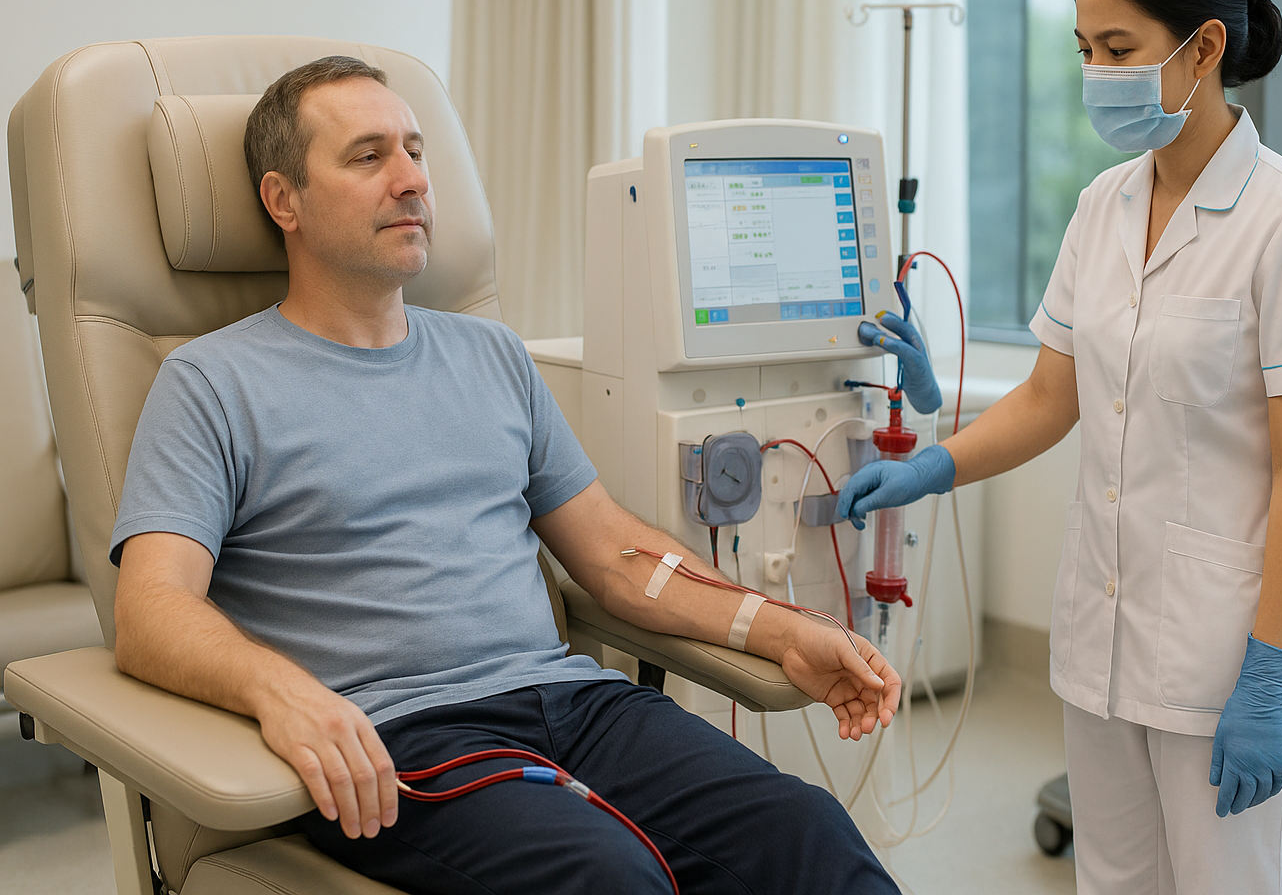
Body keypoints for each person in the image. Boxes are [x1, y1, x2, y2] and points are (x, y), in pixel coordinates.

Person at [109, 55, 901, 895]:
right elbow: (151, 610)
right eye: (369, 156)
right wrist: (284, 693)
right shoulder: (211, 382)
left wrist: (779, 627)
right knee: (612, 879)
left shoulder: (491, 355)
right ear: (283, 200)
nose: (413, 180)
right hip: (401, 740)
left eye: (416, 151)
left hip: (579, 705)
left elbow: (611, 555)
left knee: (808, 838)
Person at [841, 0, 1282, 895]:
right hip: (1104, 644)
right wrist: (932, 464)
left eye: (1120, 47)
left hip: (1224, 660)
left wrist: (1269, 670)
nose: (1098, 73)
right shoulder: (1103, 207)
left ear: (1205, 47)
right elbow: (1051, 396)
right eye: (1086, 48)